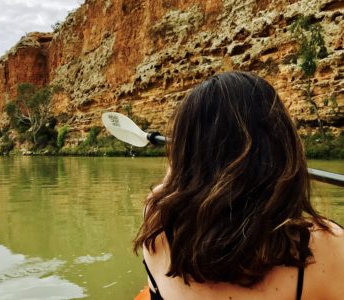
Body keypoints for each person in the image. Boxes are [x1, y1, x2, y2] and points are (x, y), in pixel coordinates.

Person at [133, 71, 343, 300]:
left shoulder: (157, 225)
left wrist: (184, 163)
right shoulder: (327, 247)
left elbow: (166, 192)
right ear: (285, 148)